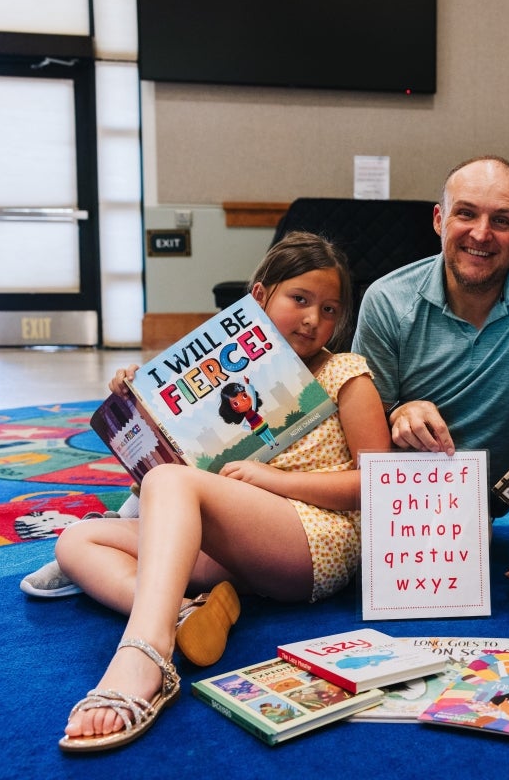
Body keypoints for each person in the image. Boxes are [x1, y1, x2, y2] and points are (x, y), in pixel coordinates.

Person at [54, 232, 391, 752]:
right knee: (76, 541)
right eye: (299, 299)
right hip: (236, 542)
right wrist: (141, 412)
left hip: (313, 538)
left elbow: (376, 484)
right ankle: (190, 615)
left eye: (329, 309)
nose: (313, 320)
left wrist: (273, 481)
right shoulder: (217, 379)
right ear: (259, 297)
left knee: (171, 483)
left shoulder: (346, 374)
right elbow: (166, 481)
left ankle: (145, 653)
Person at [351, 155, 509, 514]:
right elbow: (358, 439)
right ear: (438, 220)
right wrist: (399, 412)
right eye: (465, 213)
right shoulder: (387, 301)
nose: (481, 233)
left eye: (501, 220)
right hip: (410, 505)